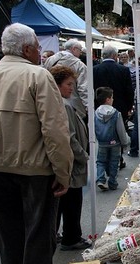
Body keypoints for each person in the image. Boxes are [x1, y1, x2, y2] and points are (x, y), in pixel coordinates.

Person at [0, 23, 73, 264]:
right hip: (35, 170)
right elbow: (55, 131)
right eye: (37, 47)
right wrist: (63, 173)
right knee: (37, 234)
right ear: (26, 49)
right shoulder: (38, 76)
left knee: (8, 233)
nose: (39, 52)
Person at [49, 65, 91, 251]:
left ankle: (58, 235)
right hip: (71, 163)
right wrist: (83, 155)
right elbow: (69, 137)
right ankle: (71, 237)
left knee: (63, 203)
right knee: (72, 202)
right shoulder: (63, 105)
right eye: (68, 84)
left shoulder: (61, 102)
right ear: (57, 85)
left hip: (68, 162)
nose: (71, 88)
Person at [93, 45, 134, 170]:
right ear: (114, 56)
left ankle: (103, 161)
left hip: (100, 108)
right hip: (119, 106)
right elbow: (129, 90)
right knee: (119, 133)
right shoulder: (123, 70)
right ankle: (118, 158)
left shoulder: (95, 69)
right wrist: (129, 106)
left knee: (103, 133)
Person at [44, 39, 88, 121]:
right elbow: (84, 88)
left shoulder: (50, 60)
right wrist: (88, 107)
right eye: (80, 50)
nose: (80, 53)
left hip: (53, 103)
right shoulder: (80, 65)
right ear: (74, 49)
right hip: (74, 107)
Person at [94, 87, 129, 191]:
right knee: (114, 162)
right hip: (115, 142)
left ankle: (100, 179)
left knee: (100, 161)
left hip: (102, 142)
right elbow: (121, 129)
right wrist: (124, 142)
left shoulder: (96, 113)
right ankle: (112, 182)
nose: (113, 100)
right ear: (108, 99)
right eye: (112, 97)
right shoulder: (116, 113)